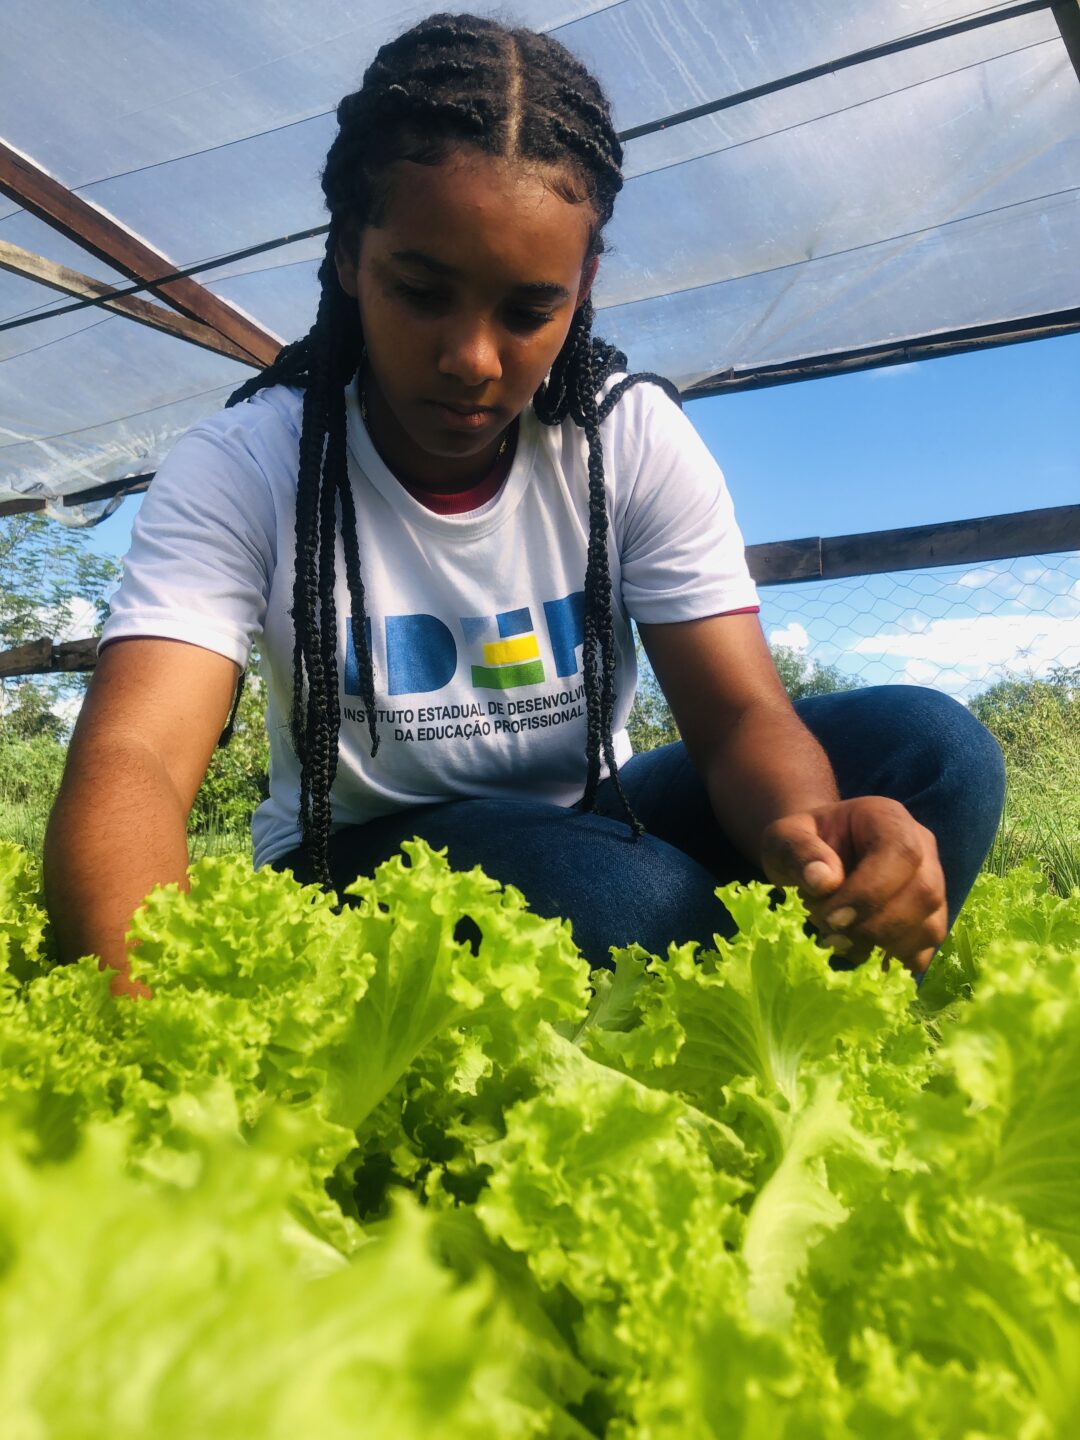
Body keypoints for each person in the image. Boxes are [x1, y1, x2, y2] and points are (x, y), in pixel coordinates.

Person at [43, 12, 1005, 999]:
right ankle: (700, 1003)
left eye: (527, 310)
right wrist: (143, 1022)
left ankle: (798, 1050)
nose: (471, 359)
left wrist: (810, 841)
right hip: (356, 858)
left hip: (592, 819)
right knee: (633, 904)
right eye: (421, 290)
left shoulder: (626, 438)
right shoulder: (248, 462)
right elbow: (139, 755)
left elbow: (740, 720)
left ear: (583, 288)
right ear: (345, 257)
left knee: (933, 758)